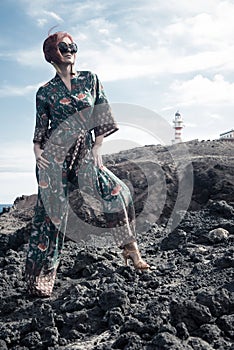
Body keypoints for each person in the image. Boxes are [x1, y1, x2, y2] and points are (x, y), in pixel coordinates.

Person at [25, 30, 149, 297]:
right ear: (51, 54)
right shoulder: (44, 92)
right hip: (53, 157)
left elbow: (102, 114)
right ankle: (41, 278)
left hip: (83, 152)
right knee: (51, 216)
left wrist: (97, 145)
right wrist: (37, 152)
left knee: (116, 191)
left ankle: (130, 249)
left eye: (73, 46)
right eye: (63, 46)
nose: (70, 50)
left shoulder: (90, 80)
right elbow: (40, 129)